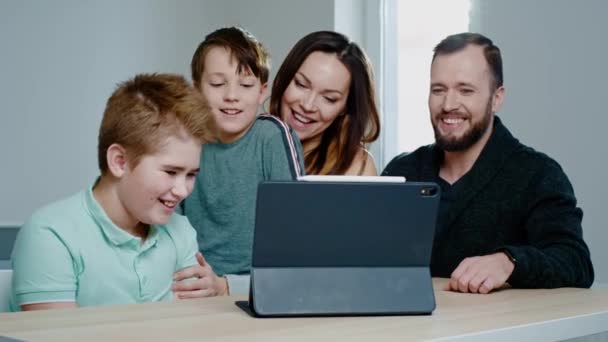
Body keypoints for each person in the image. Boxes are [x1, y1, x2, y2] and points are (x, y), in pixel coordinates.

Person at [382, 32, 594, 293]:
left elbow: (575, 262)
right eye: (438, 90)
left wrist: (510, 262)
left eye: (465, 90)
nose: (449, 104)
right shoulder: (402, 171)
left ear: (497, 98)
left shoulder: (537, 173)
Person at [10, 73, 217, 311]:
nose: (183, 191)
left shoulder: (180, 232)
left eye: (191, 175)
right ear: (119, 161)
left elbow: (192, 329)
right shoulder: (51, 235)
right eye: (171, 172)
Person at [175, 27, 304, 297]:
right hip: (194, 282)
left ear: (261, 92)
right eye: (218, 84)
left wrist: (227, 286)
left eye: (245, 85)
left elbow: (296, 234)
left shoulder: (272, 136)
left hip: (259, 289)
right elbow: (169, 223)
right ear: (197, 89)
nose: (231, 95)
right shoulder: (185, 139)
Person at [269, 31, 380, 175]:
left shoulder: (357, 168)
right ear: (285, 79)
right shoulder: (248, 146)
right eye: (301, 84)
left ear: (345, 108)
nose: (307, 105)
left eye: (329, 98)